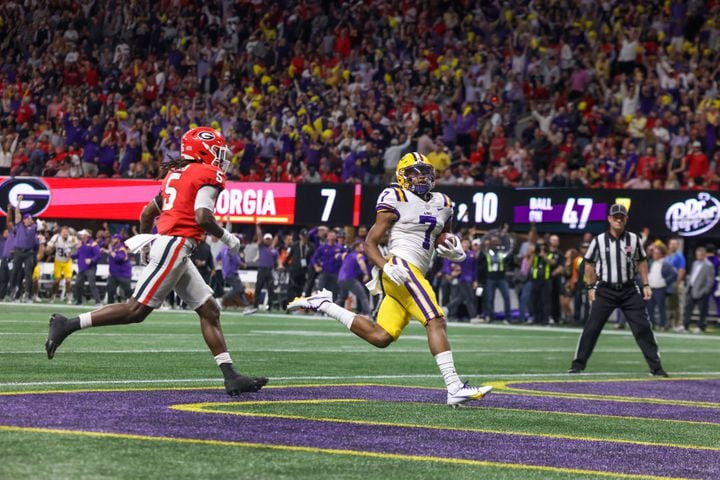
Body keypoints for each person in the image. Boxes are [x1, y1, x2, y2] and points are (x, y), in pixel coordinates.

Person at [45, 126, 267, 396]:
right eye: (218, 152)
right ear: (203, 150)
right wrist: (228, 237)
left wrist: (145, 241)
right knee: (135, 311)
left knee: (210, 311)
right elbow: (202, 216)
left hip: (173, 245)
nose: (222, 158)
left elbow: (147, 212)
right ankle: (67, 324)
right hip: (176, 244)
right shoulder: (208, 173)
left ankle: (231, 376)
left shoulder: (176, 174)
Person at [288, 152, 492, 406]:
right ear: (402, 176)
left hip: (414, 271)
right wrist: (386, 266)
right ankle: (454, 387)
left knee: (381, 336)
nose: (421, 176)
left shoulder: (444, 202)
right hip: (401, 268)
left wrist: (455, 249)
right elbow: (369, 243)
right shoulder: (395, 196)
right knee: (436, 320)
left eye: (425, 171)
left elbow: (442, 237)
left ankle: (323, 304)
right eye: (414, 172)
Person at [568, 204, 668, 377]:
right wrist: (591, 287)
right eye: (615, 216)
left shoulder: (634, 239)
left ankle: (656, 367)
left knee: (643, 328)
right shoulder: (599, 240)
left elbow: (642, 261)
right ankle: (578, 364)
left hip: (629, 289)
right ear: (609, 219)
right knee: (592, 327)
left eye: (622, 216)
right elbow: (589, 264)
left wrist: (645, 284)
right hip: (605, 289)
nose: (619, 219)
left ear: (626, 219)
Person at [678, 246, 715, 334]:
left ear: (704, 255)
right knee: (688, 309)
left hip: (701, 291)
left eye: (701, 255)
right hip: (692, 288)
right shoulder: (695, 263)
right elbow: (692, 275)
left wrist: (705, 290)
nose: (699, 256)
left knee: (702, 310)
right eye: (697, 255)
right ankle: (685, 326)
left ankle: (700, 327)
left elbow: (710, 280)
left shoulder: (709, 265)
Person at [10, 202, 39, 301]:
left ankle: (27, 293)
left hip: (28, 253)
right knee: (14, 271)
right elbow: (17, 212)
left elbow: (37, 224)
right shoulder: (20, 225)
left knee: (28, 273)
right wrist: (19, 202)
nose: (30, 220)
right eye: (28, 218)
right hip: (18, 251)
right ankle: (13, 290)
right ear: (24, 219)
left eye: (31, 218)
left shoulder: (34, 227)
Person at [335, 239, 371, 315]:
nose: (363, 248)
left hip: (340, 279)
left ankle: (331, 311)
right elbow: (361, 263)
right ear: (356, 248)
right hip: (350, 279)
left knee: (342, 297)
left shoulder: (348, 255)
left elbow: (336, 256)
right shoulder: (359, 255)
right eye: (361, 246)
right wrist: (366, 274)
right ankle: (368, 313)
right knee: (362, 295)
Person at [282, 228, 314, 309]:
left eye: (306, 237)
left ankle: (301, 307)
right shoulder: (295, 245)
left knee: (302, 289)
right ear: (300, 236)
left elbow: (313, 258)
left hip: (304, 271)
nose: (304, 238)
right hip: (294, 270)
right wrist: (285, 265)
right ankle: (289, 306)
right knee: (291, 289)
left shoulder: (310, 246)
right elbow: (289, 257)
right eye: (303, 236)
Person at [46, 226, 79, 303]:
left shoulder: (72, 238)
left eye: (66, 232)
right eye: (63, 232)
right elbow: (49, 247)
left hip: (68, 261)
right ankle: (52, 296)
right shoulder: (56, 237)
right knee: (56, 280)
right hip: (58, 261)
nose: (65, 233)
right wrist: (48, 249)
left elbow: (78, 247)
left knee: (68, 280)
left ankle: (69, 297)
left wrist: (74, 250)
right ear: (60, 233)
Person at [73, 229, 102, 306]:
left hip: (90, 268)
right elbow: (78, 255)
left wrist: (92, 260)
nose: (81, 236)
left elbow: (98, 255)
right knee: (77, 284)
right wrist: (70, 255)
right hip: (82, 268)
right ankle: (79, 301)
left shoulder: (93, 244)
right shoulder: (81, 244)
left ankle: (98, 301)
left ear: (86, 236)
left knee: (92, 285)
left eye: (82, 235)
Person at [253, 224, 279, 311]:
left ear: (271, 240)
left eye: (269, 239)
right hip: (262, 269)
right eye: (266, 239)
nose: (267, 241)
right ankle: (255, 305)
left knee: (270, 289)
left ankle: (270, 307)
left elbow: (276, 261)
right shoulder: (262, 246)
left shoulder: (274, 250)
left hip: (270, 270)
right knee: (258, 287)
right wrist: (257, 227)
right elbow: (259, 235)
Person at [104, 234, 133, 304]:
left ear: (118, 240)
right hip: (113, 274)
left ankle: (133, 304)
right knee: (110, 290)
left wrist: (110, 251)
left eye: (114, 238)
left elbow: (118, 259)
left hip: (123, 274)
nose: (112, 240)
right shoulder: (114, 248)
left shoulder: (122, 248)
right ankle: (109, 306)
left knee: (128, 291)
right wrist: (105, 250)